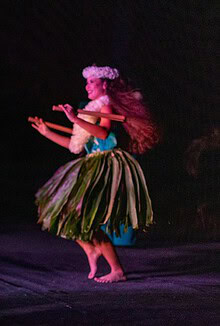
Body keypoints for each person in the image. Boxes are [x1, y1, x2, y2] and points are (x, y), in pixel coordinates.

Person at [30, 65, 159, 283]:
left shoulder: (105, 107)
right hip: (89, 163)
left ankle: (116, 269)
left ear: (104, 84)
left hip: (105, 165)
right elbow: (76, 146)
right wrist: (47, 132)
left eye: (92, 82)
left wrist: (75, 119)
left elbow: (103, 133)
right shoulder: (89, 109)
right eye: (87, 82)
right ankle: (92, 250)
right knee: (66, 213)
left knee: (85, 216)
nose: (87, 86)